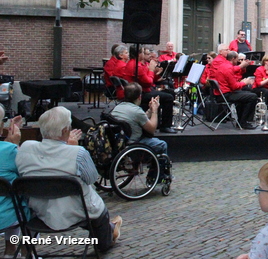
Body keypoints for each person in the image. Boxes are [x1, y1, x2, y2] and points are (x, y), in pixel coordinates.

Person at [15, 107, 123, 253]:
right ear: (66, 130)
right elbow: (92, 178)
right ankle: (107, 236)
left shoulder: (26, 147)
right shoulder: (77, 153)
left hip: (41, 208)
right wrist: (72, 149)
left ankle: (110, 228)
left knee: (87, 208)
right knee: (97, 212)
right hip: (76, 210)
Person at [115, 45, 176, 133]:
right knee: (168, 97)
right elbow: (148, 83)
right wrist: (151, 70)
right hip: (139, 94)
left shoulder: (136, 64)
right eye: (143, 52)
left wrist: (155, 72)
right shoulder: (137, 66)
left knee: (167, 93)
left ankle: (158, 122)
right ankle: (166, 126)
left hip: (142, 91)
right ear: (139, 54)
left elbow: (148, 79)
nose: (145, 55)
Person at [110, 83, 168, 155]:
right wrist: (154, 111)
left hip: (119, 141)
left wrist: (150, 110)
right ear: (140, 97)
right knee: (162, 144)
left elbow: (140, 119)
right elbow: (152, 129)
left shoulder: (118, 107)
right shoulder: (137, 111)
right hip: (132, 144)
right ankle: (160, 165)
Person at [0, 111, 28, 259]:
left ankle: (10, 251)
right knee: (32, 203)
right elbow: (26, 175)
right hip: (4, 216)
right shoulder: (10, 151)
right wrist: (15, 145)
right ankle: (25, 252)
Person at [211, 50, 258, 129]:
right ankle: (243, 122)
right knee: (252, 96)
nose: (238, 61)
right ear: (233, 59)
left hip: (220, 94)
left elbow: (233, 71)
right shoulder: (228, 68)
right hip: (225, 95)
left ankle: (241, 122)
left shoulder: (224, 65)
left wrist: (242, 67)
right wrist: (245, 82)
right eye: (237, 59)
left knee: (245, 95)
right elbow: (234, 87)